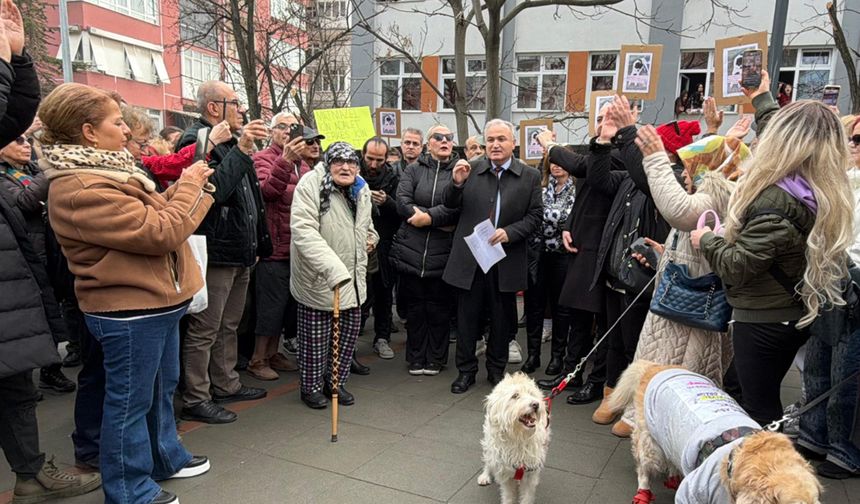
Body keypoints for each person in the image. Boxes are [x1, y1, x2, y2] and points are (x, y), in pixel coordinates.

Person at [40, 82, 214, 504]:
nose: (127, 130)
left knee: (158, 389)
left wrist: (189, 187)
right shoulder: (82, 187)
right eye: (116, 122)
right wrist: (189, 187)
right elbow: (160, 232)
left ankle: (163, 457)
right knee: (129, 404)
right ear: (88, 132)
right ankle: (129, 489)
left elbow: (151, 218)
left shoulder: (110, 170)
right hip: (130, 308)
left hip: (155, 301)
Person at [693, 91, 854, 427]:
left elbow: (736, 266)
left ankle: (763, 474)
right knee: (750, 396)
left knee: (758, 408)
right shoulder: (813, 190)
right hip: (789, 310)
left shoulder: (777, 199)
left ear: (781, 141)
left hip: (764, 316)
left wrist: (705, 239)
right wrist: (763, 99)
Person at [0, 5, 103, 501]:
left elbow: (12, 114)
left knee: (17, 387)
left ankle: (31, 472)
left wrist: (16, 59)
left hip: (12, 287)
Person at [626, 116, 751, 438]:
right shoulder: (718, 190)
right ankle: (647, 420)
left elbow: (679, 212)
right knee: (665, 363)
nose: (684, 172)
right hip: (685, 296)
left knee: (685, 372)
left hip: (697, 304)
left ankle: (665, 429)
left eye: (691, 164)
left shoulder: (720, 194)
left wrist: (654, 157)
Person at [177, 80, 271, 425]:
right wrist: (242, 150)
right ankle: (196, 396)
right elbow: (214, 191)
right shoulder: (197, 140)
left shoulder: (231, 141)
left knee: (229, 323)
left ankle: (226, 382)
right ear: (214, 107)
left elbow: (249, 200)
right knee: (205, 327)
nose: (243, 109)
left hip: (238, 249)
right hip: (214, 250)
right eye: (236, 102)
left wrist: (257, 243)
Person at [578, 97, 672, 427]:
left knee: (636, 346)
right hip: (614, 275)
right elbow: (599, 178)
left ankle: (635, 409)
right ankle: (611, 396)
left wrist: (627, 132)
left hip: (640, 280)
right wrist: (603, 141)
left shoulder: (663, 182)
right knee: (613, 341)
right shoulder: (627, 180)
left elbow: (644, 172)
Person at [444, 119, 542, 394]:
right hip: (471, 259)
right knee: (466, 318)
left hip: (505, 259)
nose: (495, 145)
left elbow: (536, 217)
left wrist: (510, 232)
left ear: (513, 143)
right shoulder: (469, 169)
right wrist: (456, 183)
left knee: (502, 319)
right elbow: (449, 205)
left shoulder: (529, 176)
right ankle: (465, 371)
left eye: (502, 139)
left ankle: (497, 371)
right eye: (491, 140)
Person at [290, 142, 378, 409]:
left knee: (346, 337)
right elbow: (303, 230)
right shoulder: (311, 185)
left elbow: (366, 225)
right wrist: (334, 269)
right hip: (320, 278)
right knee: (316, 341)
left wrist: (372, 238)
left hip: (353, 278)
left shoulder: (361, 189)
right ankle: (312, 387)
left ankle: (335, 383)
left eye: (352, 162)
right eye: (338, 161)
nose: (346, 167)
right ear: (328, 164)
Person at [0, 133, 77, 394]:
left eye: (27, 141)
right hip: (29, 254)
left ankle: (50, 369)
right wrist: (51, 167)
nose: (25, 146)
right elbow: (25, 202)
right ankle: (34, 375)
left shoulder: (33, 169)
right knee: (38, 313)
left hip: (52, 250)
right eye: (17, 141)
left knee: (54, 306)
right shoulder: (4, 177)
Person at [390, 125, 460, 375]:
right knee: (415, 309)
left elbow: (457, 208)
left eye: (449, 138)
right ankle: (416, 357)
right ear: (428, 143)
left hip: (444, 253)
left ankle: (437, 359)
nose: (444, 141)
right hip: (411, 250)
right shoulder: (413, 169)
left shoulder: (460, 172)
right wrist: (425, 217)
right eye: (438, 137)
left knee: (439, 309)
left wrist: (428, 218)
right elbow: (402, 201)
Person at [247, 111, 308, 380]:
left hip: (297, 248)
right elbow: (267, 192)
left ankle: (274, 352)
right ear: (272, 132)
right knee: (270, 307)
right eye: (281, 127)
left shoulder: (303, 164)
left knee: (285, 307)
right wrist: (285, 161)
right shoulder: (263, 158)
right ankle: (257, 359)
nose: (287, 131)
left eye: (292, 127)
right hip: (274, 246)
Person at [520, 157, 575, 374]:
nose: (556, 165)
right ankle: (533, 355)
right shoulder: (540, 189)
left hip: (563, 255)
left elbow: (569, 220)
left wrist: (553, 221)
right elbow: (533, 216)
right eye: (551, 162)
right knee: (534, 305)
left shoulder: (576, 191)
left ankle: (557, 357)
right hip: (538, 252)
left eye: (561, 161)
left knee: (561, 308)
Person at [122, 105, 232, 190]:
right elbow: (174, 163)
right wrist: (209, 142)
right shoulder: (123, 174)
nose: (146, 151)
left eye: (147, 144)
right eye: (141, 144)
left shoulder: (138, 163)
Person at [359, 137, 400, 360]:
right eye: (370, 159)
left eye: (379, 160)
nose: (373, 165)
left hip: (384, 245)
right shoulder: (352, 174)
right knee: (357, 294)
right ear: (363, 155)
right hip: (357, 245)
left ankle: (382, 337)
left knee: (384, 293)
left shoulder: (393, 178)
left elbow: (403, 212)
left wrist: (387, 203)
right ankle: (353, 336)